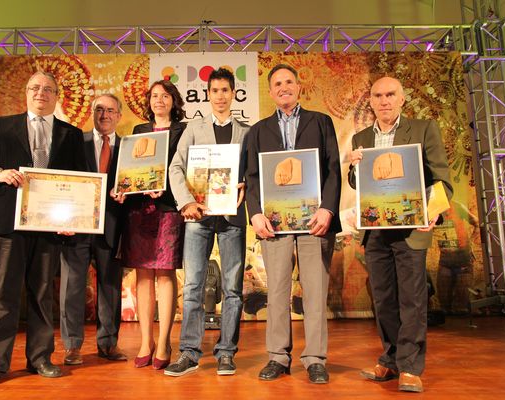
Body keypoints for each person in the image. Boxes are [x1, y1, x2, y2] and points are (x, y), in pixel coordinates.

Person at [0, 71, 86, 387]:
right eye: (35, 87)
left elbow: (80, 181)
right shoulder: (3, 126)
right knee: (3, 294)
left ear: (56, 96)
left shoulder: (71, 135)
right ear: (26, 92)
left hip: (50, 227)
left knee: (43, 294)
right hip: (9, 224)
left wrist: (74, 220)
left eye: (48, 89)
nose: (41, 93)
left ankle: (40, 358)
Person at [348, 76, 453, 393]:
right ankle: (391, 360)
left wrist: (432, 210)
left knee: (412, 299)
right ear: (370, 101)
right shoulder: (361, 138)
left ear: (402, 98)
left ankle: (410, 367)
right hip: (376, 231)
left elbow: (442, 180)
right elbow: (358, 184)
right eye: (377, 95)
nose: (384, 100)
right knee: (384, 300)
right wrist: (353, 169)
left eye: (390, 94)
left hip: (411, 228)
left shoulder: (423, 129)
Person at [245, 64, 342, 384]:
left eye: (289, 81)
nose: (284, 87)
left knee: (315, 291)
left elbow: (333, 170)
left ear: (299, 87)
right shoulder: (258, 130)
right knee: (278, 292)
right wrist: (255, 213)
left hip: (315, 221)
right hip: (274, 224)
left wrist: (328, 209)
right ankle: (278, 357)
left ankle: (315, 358)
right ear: (271, 92)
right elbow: (252, 178)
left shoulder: (321, 122)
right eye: (277, 83)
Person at [166, 67, 249, 377]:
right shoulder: (194, 129)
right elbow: (176, 167)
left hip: (231, 218)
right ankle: (189, 353)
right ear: (208, 95)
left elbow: (251, 173)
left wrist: (245, 186)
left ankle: (226, 352)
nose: (220, 96)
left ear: (233, 94)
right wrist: (186, 201)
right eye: (214, 91)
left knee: (232, 288)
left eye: (225, 90)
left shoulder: (246, 131)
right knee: (192, 286)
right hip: (198, 217)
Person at [112, 79, 186, 370]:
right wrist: (124, 186)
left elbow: (185, 169)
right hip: (139, 209)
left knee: (165, 274)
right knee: (143, 276)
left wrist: (164, 189)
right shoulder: (138, 132)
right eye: (154, 96)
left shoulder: (183, 131)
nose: (159, 100)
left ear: (173, 101)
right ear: (149, 101)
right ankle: (146, 341)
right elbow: (130, 169)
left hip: (168, 208)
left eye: (165, 96)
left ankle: (165, 341)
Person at [59, 94, 125, 366]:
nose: (105, 115)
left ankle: (108, 344)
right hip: (76, 226)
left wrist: (127, 194)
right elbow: (62, 178)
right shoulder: (75, 142)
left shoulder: (129, 147)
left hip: (113, 227)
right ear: (91, 113)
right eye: (99, 109)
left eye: (110, 110)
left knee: (110, 288)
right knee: (72, 287)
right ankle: (72, 346)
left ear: (119, 115)